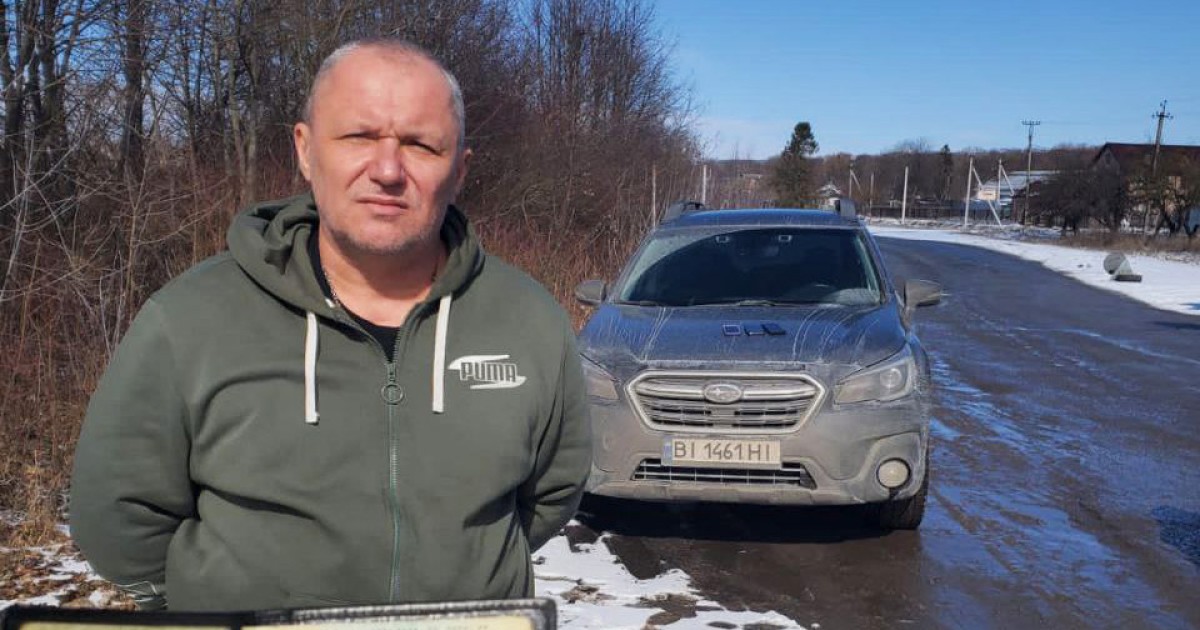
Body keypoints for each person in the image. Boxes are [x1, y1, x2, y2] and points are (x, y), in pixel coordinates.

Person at [69, 39, 591, 612]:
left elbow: (550, 494)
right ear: (306, 149)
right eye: (359, 137)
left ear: (459, 170)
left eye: (420, 145)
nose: (387, 170)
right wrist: (209, 608)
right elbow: (117, 513)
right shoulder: (191, 318)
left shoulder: (528, 320)